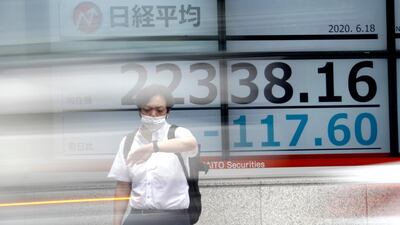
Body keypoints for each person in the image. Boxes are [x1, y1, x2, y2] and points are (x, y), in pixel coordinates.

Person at [108, 85, 198, 225]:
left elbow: (191, 144)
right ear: (139, 111)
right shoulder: (129, 141)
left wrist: (153, 147)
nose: (153, 114)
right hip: (138, 218)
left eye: (159, 110)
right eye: (147, 109)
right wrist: (116, 223)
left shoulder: (177, 133)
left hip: (174, 218)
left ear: (168, 111)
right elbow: (122, 186)